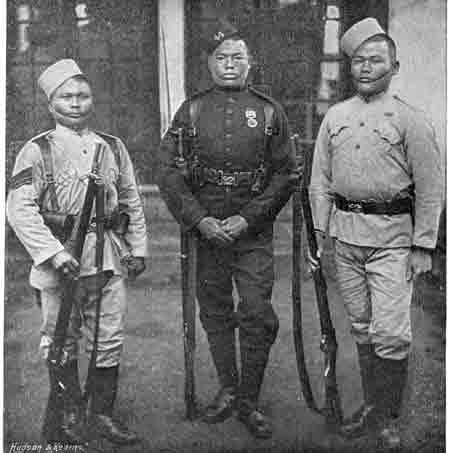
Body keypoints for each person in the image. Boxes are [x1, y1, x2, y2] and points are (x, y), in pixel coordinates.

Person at [157, 19, 295, 439]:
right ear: (209, 64)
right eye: (222, 58)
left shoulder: (270, 111)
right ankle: (229, 390)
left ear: (250, 63)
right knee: (215, 311)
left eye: (238, 57)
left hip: (251, 232)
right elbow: (165, 169)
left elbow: (286, 174)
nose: (230, 64)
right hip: (206, 230)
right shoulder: (192, 110)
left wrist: (247, 219)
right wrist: (199, 219)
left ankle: (249, 400)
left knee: (256, 312)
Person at [308, 18, 443, 449]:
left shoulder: (411, 120)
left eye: (376, 61)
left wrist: (424, 245)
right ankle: (371, 408)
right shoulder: (336, 116)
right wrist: (319, 235)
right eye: (359, 61)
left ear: (394, 66)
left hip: (392, 242)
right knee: (362, 328)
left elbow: (431, 186)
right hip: (345, 239)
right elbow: (320, 180)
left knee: (391, 333)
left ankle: (388, 418)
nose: (366, 68)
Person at [6, 59, 148, 445]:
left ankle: (102, 413)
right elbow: (19, 208)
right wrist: (52, 252)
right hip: (60, 258)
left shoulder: (113, 148)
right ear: (51, 104)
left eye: (82, 95)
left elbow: (131, 199)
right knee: (60, 335)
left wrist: (138, 247)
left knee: (109, 334)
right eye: (66, 97)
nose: (75, 103)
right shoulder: (37, 151)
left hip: (106, 254)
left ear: (93, 100)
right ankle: (69, 413)